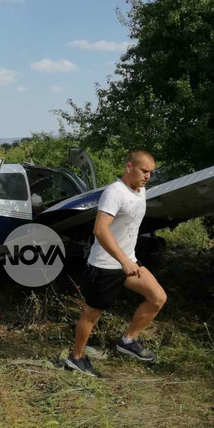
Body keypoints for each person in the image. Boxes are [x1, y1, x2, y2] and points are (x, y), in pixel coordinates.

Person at [66, 150, 168, 377]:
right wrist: (122, 260)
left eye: (150, 172)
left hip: (128, 261)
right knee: (91, 315)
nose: (147, 177)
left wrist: (126, 260)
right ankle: (76, 357)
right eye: (144, 171)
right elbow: (100, 230)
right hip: (105, 265)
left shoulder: (140, 191)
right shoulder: (114, 193)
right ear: (129, 167)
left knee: (158, 297)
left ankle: (128, 340)